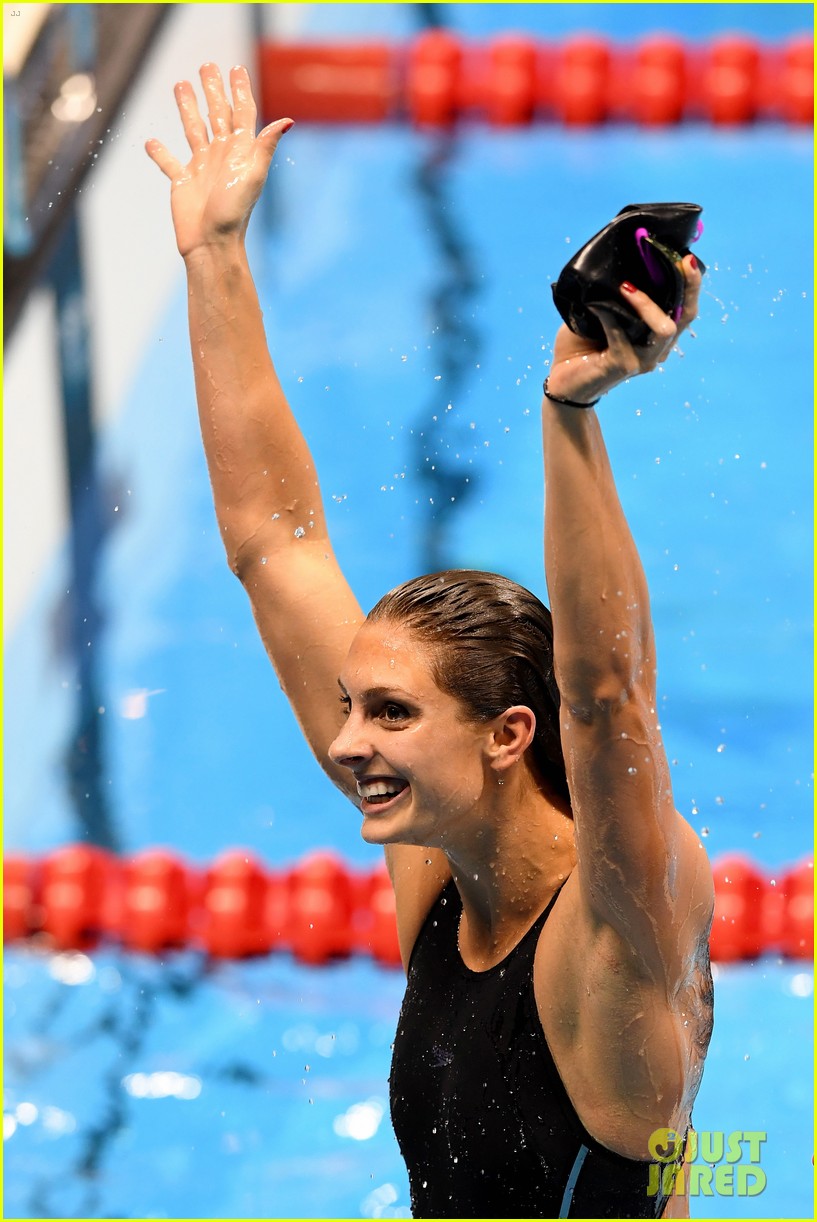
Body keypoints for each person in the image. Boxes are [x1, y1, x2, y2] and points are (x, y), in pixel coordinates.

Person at [147, 64, 714, 1219]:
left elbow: (607, 695)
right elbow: (275, 546)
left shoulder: (614, 935)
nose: (345, 740)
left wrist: (570, 413)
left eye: (390, 713)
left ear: (510, 733)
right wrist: (213, 259)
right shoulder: (443, 865)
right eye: (356, 705)